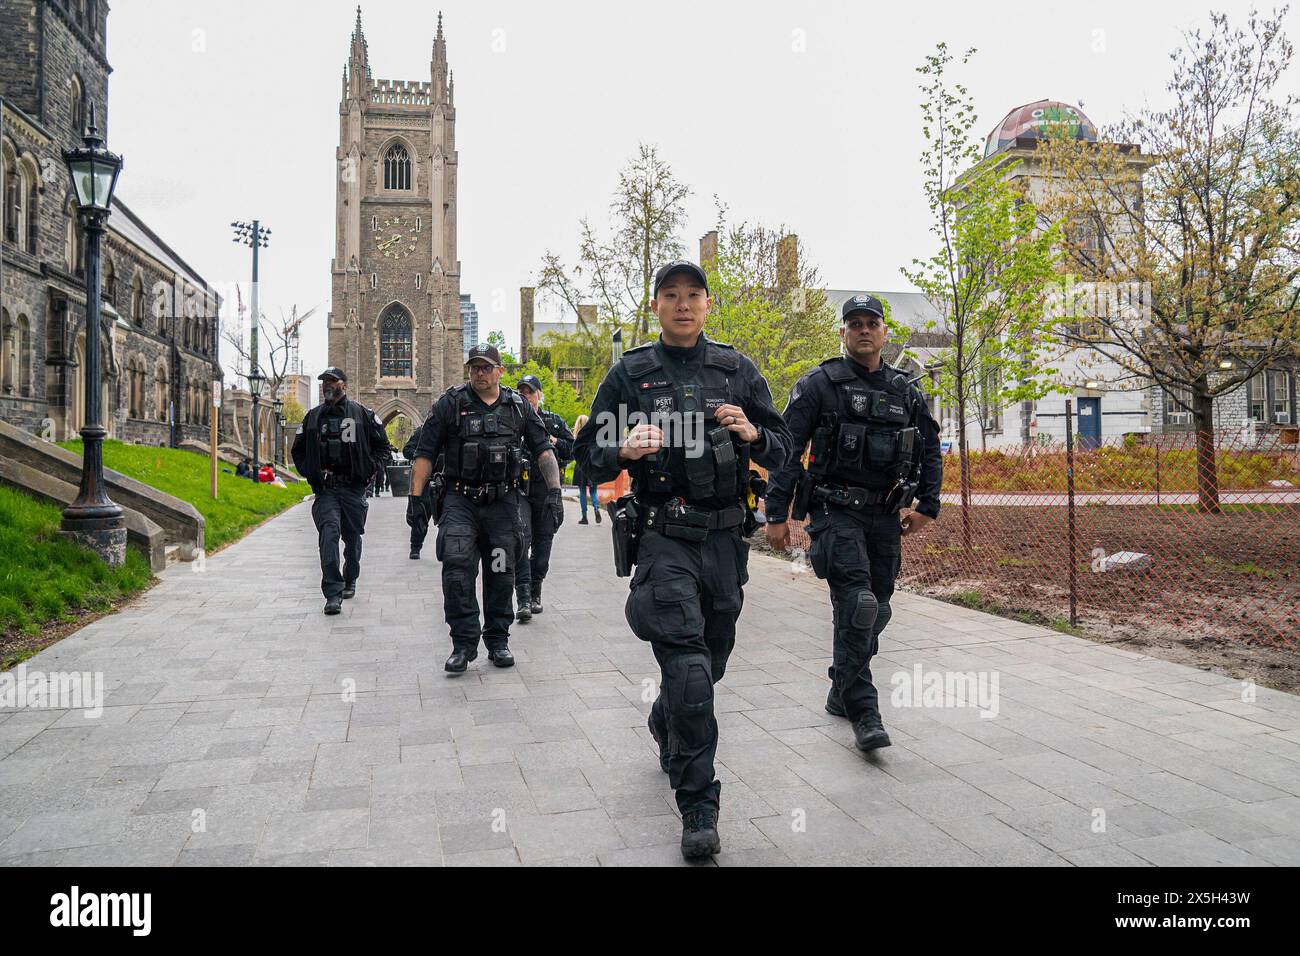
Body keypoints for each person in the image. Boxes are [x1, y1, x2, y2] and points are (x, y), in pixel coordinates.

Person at [573, 259, 792, 861]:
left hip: (725, 543)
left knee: (708, 666)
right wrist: (620, 447)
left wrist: (753, 434)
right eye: (670, 295)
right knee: (692, 672)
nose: (683, 305)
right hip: (664, 538)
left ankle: (667, 715)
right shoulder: (631, 374)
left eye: (693, 295)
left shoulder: (737, 369)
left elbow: (784, 449)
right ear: (656, 306)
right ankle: (698, 804)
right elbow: (583, 458)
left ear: (707, 304)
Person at [764, 294, 943, 753]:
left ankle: (840, 687)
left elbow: (929, 448)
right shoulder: (819, 385)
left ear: (885, 332)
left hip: (884, 516)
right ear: (842, 333)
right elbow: (786, 451)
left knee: (877, 609)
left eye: (872, 323)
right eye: (854, 323)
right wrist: (777, 514)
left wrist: (928, 504)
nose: (864, 330)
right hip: (833, 512)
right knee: (859, 604)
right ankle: (865, 711)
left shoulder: (906, 390)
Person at [407, 344, 565, 674]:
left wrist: (554, 492)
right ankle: (463, 645)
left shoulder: (518, 406)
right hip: (460, 501)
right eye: (474, 367)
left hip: (503, 503)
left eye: (486, 367)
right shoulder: (451, 404)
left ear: (499, 371)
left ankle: (498, 640)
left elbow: (543, 451)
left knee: (500, 572)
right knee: (457, 567)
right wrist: (416, 497)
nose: (479, 373)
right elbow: (424, 452)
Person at [291, 367, 393, 615]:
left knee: (352, 538)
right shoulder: (313, 417)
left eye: (332, 381)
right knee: (328, 537)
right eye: (324, 382)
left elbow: (383, 449)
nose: (328, 386)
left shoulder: (362, 414)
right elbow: (298, 451)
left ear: (344, 385)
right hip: (326, 491)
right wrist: (312, 473)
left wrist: (370, 471)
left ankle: (351, 576)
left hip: (352, 489)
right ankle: (333, 593)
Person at [513, 374, 575, 622]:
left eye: (529, 392)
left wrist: (553, 440)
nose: (525, 396)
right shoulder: (511, 421)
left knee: (543, 545)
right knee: (521, 539)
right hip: (520, 491)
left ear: (539, 395)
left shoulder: (555, 422)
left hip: (547, 490)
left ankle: (536, 589)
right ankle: (524, 597)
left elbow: (572, 450)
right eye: (521, 392)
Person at [572, 414, 601, 525]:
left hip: (580, 467)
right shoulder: (594, 436)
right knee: (593, 491)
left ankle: (584, 517)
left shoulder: (576, 437)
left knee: (582, 492)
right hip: (592, 465)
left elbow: (573, 454)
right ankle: (596, 508)